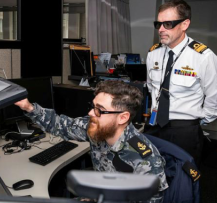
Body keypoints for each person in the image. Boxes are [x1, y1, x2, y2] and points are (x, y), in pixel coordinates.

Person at [15, 80, 168, 202]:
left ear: (123, 117)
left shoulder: (146, 161)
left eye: (99, 110)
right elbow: (59, 125)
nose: (90, 113)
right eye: (93, 106)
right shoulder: (97, 129)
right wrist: (28, 107)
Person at [145, 0, 217, 166]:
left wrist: (193, 122)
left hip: (184, 131)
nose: (161, 29)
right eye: (158, 24)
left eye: (167, 24)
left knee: (182, 181)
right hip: (154, 125)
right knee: (149, 176)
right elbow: (151, 88)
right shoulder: (153, 53)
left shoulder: (204, 57)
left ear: (184, 24)